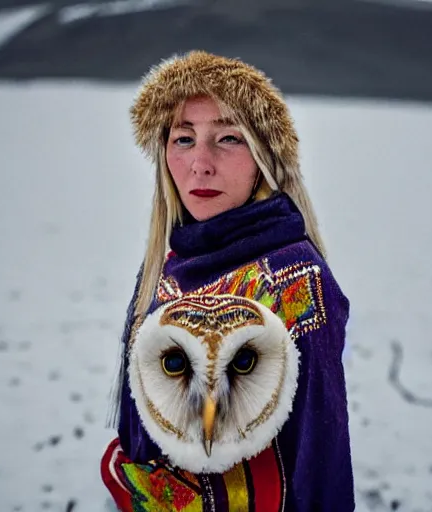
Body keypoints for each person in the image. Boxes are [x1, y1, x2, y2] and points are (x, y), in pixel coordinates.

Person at [101, 50, 354, 511]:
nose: (200, 163)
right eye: (183, 139)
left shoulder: (295, 278)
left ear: (263, 158)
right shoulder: (163, 263)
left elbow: (323, 462)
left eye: (229, 138)